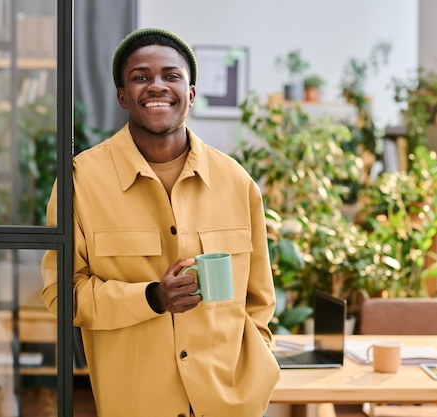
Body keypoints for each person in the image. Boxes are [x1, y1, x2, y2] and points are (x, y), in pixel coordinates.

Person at [40, 27, 280, 417]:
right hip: (136, 402)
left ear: (191, 93)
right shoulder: (79, 182)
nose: (156, 86)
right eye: (140, 77)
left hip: (229, 403)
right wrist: (151, 298)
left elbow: (259, 299)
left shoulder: (236, 182)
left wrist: (256, 367)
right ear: (122, 95)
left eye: (171, 76)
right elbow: (61, 295)